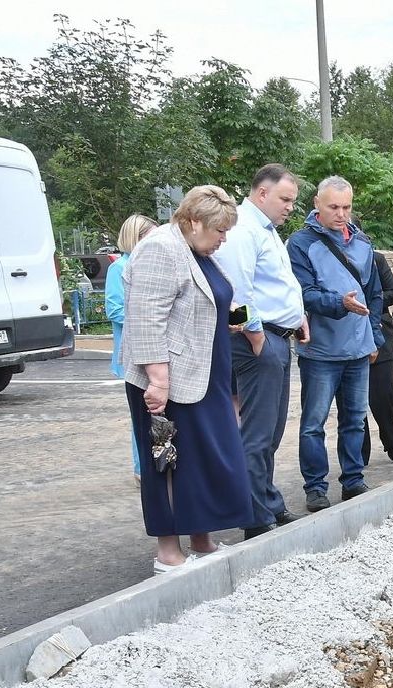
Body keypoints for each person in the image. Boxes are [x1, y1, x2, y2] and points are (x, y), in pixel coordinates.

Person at [120, 185, 250, 573]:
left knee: (206, 459)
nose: (223, 240)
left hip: (205, 373)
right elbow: (145, 319)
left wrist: (236, 322)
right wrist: (158, 381)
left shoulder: (196, 249)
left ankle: (202, 538)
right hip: (168, 381)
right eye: (219, 231)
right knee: (168, 461)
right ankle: (168, 553)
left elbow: (209, 301)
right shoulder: (161, 248)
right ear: (194, 222)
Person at [212, 164, 309, 540]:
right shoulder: (242, 230)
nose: (289, 208)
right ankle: (255, 514)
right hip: (259, 340)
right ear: (262, 193)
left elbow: (276, 285)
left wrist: (299, 317)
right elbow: (236, 293)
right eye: (285, 199)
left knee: (271, 429)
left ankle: (267, 500)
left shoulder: (266, 231)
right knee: (257, 431)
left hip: (277, 336)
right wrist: (255, 336)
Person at [287, 176, 383, 512]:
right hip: (320, 352)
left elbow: (374, 295)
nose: (341, 214)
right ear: (316, 203)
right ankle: (315, 487)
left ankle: (353, 480)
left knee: (355, 419)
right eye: (333, 207)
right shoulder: (299, 244)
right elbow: (304, 294)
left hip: (359, 350)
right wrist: (339, 303)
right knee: (314, 423)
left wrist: (375, 337)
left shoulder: (363, 243)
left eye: (346, 207)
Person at [106, 213, 157, 479]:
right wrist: (148, 317)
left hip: (148, 349)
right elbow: (114, 310)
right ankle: (141, 468)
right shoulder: (119, 267)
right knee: (140, 413)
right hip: (132, 350)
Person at [361, 246, 393, 464]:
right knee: (354, 400)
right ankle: (360, 452)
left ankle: (390, 434)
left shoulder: (376, 260)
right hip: (347, 336)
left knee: (385, 395)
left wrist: (371, 300)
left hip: (380, 333)